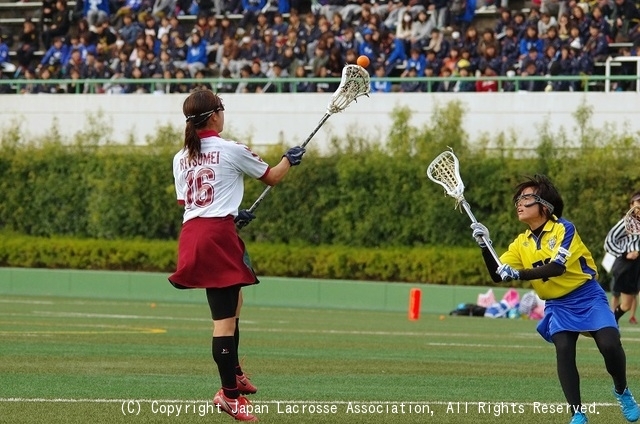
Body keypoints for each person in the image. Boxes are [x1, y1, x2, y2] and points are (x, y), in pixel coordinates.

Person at [168, 88, 305, 422]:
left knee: (234, 302)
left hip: (195, 235)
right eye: (222, 109)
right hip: (217, 236)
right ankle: (229, 395)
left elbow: (191, 205)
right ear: (215, 115)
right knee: (223, 322)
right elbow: (272, 177)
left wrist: (232, 215)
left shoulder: (180, 156)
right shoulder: (230, 149)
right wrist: (290, 159)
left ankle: (236, 372)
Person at [470, 175, 640, 424]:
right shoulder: (521, 243)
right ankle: (577, 414)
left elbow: (557, 267)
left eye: (526, 198)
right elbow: (497, 274)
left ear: (545, 205)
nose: (519, 203)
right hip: (557, 304)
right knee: (564, 348)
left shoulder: (564, 228)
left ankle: (622, 391)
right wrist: (486, 246)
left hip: (586, 295)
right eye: (518, 199)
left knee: (610, 343)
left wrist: (519, 273)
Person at [604, 191, 640, 324]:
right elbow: (609, 241)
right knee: (626, 305)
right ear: (632, 205)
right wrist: (625, 253)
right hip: (627, 265)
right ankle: (611, 323)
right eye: (638, 203)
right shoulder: (626, 222)